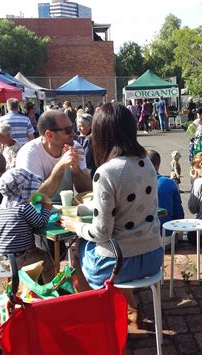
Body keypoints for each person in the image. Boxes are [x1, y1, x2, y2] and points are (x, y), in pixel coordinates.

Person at [60, 103, 163, 328]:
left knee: (78, 252)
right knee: (105, 250)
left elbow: (101, 232)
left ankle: (98, 318)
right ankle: (131, 307)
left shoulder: (106, 172)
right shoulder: (146, 161)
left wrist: (75, 225)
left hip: (121, 263)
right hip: (153, 255)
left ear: (101, 135)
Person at [15, 109, 92, 202]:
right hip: (39, 213)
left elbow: (87, 190)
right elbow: (34, 200)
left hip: (66, 211)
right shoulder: (29, 154)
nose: (73, 133)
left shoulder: (74, 146)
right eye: (67, 130)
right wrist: (60, 167)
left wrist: (76, 169)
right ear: (49, 134)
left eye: (72, 127)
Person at [0, 168, 55, 283]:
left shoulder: (0, 210)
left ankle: (26, 285)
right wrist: (47, 205)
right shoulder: (23, 208)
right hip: (22, 258)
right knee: (48, 261)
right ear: (24, 191)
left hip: (3, 259)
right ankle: (50, 290)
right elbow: (40, 223)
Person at [147, 150, 184, 244]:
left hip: (142, 240)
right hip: (166, 238)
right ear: (158, 165)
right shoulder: (169, 183)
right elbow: (179, 214)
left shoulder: (134, 183)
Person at [75, 112, 96, 177]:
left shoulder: (89, 139)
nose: (79, 129)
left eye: (81, 126)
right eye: (78, 126)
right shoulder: (97, 134)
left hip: (90, 172)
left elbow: (85, 160)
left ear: (89, 125)